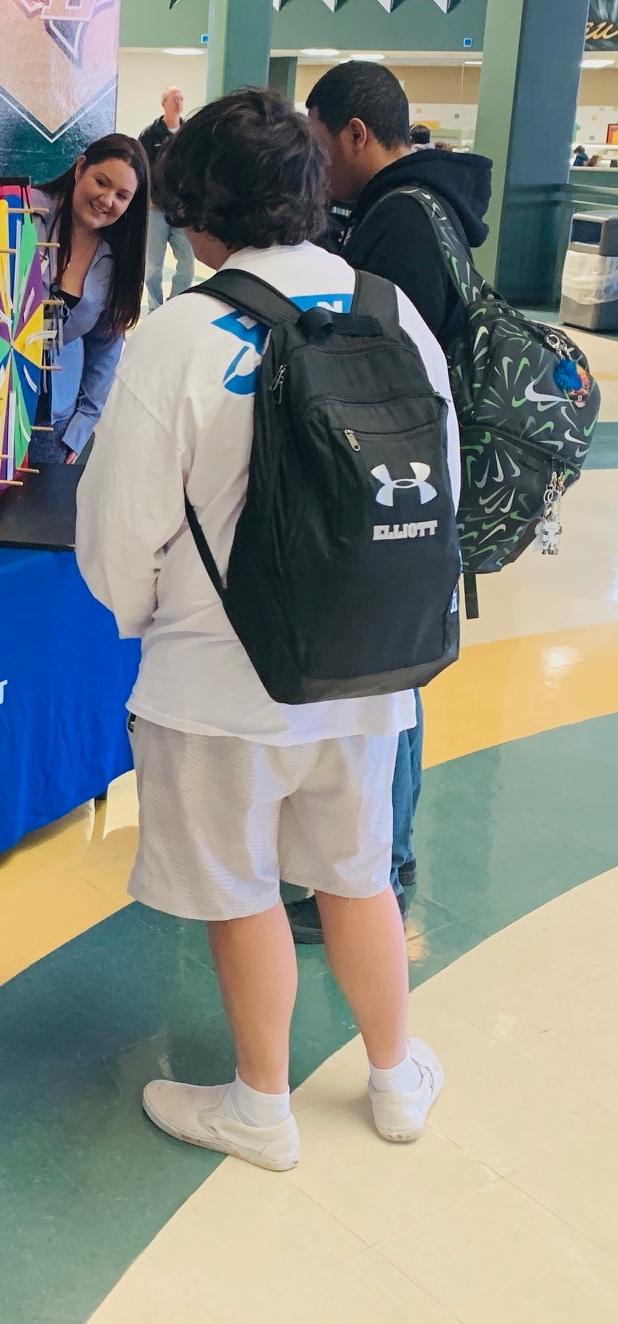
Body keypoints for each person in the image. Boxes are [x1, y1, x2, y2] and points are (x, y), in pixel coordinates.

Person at [77, 88, 453, 1173]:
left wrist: (150, 621)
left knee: (241, 895)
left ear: (193, 212)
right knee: (357, 875)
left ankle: (257, 1105)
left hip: (215, 683)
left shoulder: (183, 335)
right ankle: (392, 1079)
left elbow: (116, 534)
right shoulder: (390, 310)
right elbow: (433, 492)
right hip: (369, 673)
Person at [298, 62, 495, 944]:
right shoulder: (428, 207)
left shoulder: (403, 223)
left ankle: (384, 867)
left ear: (354, 134)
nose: (317, 165)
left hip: (400, 485)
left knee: (394, 687)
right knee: (394, 678)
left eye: (318, 143)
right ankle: (374, 864)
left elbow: (380, 372)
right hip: (415, 482)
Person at [32, 134, 148, 464]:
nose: (107, 199)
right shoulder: (22, 212)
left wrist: (83, 424)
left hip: (53, 420)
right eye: (101, 182)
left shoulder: (116, 264)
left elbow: (106, 348)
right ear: (81, 167)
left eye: (122, 196)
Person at [137, 87, 195, 308]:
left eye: (181, 98)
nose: (178, 102)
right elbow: (141, 169)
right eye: (174, 99)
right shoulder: (150, 135)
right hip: (156, 209)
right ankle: (155, 307)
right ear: (164, 103)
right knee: (152, 266)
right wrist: (146, 198)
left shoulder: (189, 134)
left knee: (187, 264)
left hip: (182, 209)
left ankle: (176, 304)